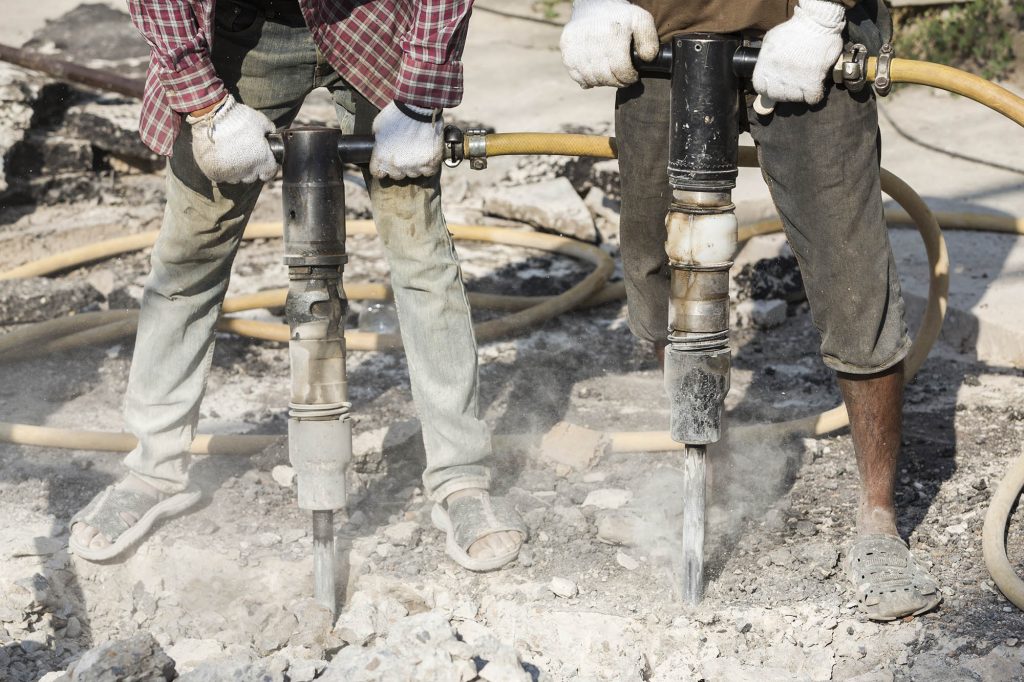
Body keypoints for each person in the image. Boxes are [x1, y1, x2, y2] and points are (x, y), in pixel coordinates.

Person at [69, 0, 526, 572]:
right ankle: (152, 469)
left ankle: (460, 478)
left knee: (421, 253)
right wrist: (208, 108)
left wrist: (417, 101)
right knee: (189, 257)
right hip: (247, 28)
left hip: (372, 23)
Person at [560, 0, 941, 620]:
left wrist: (822, 18)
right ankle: (709, 475)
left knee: (850, 273)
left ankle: (878, 521)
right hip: (662, 28)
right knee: (657, 260)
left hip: (800, 29)